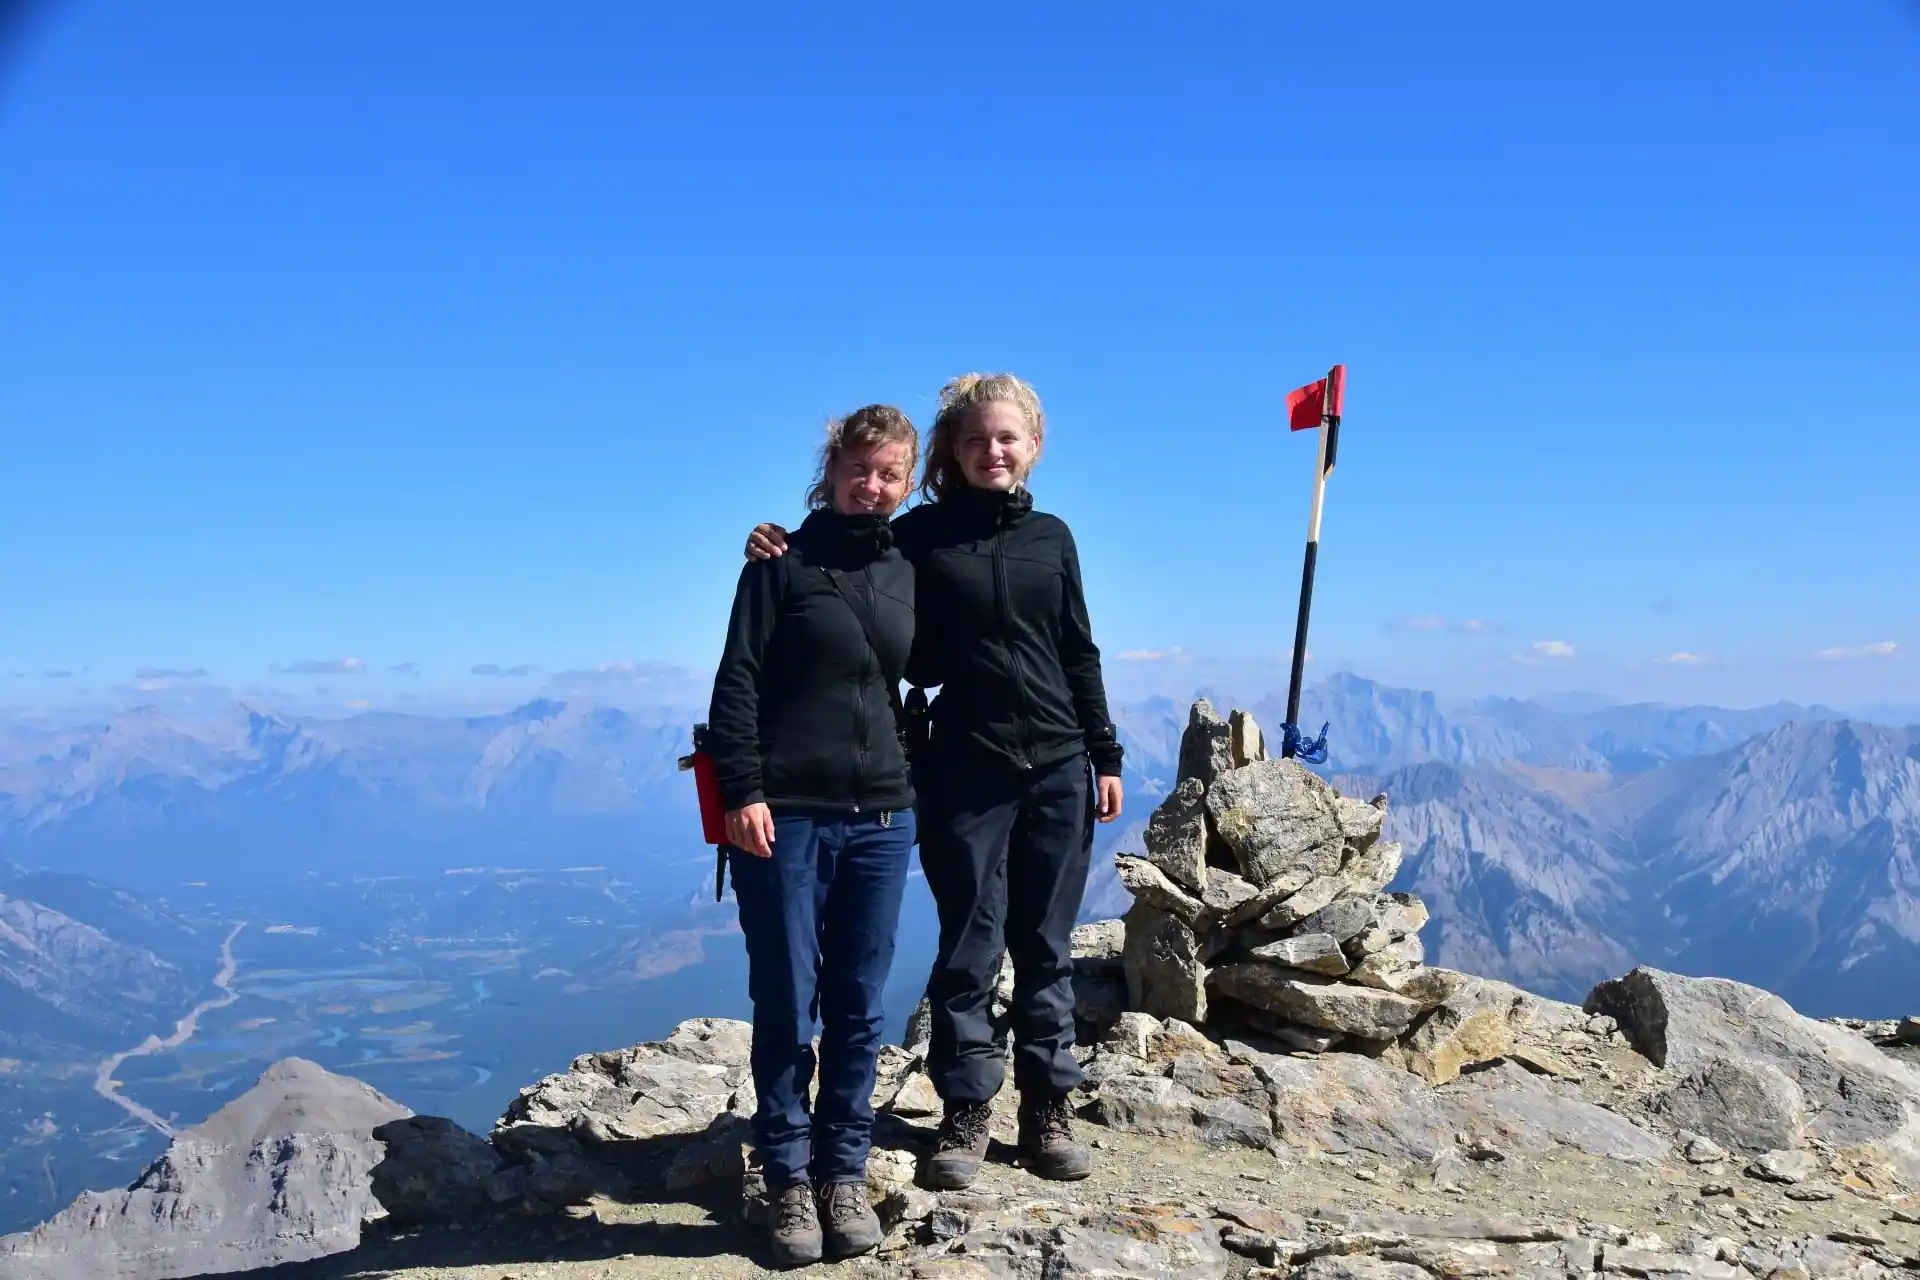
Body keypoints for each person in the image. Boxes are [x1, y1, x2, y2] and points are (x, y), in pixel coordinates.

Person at [745, 373, 1124, 1192]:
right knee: (968, 946)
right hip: (964, 765)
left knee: (1047, 944)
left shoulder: (1053, 538)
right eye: (977, 438)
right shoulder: (915, 537)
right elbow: (846, 562)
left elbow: (1078, 648)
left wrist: (1107, 753)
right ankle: (966, 1109)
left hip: (1058, 761)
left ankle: (1048, 1106)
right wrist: (777, 542)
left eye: (1008, 438)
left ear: (1033, 447)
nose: (994, 450)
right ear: (952, 451)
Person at [706, 404, 919, 1267]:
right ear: (830, 471)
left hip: (883, 816)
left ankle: (845, 1168)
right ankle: (788, 1175)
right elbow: (738, 683)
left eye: (888, 475)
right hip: (785, 815)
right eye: (858, 470)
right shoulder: (779, 561)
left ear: (908, 486)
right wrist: (744, 792)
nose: (871, 487)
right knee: (788, 996)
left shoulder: (912, 566)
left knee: (861, 1002)